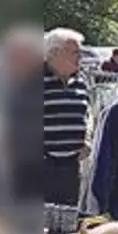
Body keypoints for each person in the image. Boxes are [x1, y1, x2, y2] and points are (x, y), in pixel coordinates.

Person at [42, 28, 92, 207]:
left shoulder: (80, 83)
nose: (80, 57)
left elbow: (86, 115)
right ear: (53, 53)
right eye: (74, 52)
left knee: (66, 224)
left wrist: (86, 140)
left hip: (71, 167)